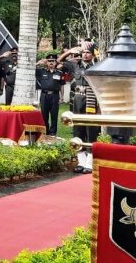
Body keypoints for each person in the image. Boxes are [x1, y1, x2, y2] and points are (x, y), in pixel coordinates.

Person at [58, 39, 99, 173]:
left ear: (93, 54)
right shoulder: (75, 65)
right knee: (78, 129)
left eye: (88, 52)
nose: (85, 55)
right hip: (78, 99)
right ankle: (81, 161)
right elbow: (59, 61)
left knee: (91, 130)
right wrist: (70, 51)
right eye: (84, 52)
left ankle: (89, 163)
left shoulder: (98, 65)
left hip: (92, 100)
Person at [35, 54, 63, 136]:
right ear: (46, 62)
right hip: (44, 95)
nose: (51, 63)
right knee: (44, 114)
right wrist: (38, 63)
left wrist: (61, 96)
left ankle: (53, 132)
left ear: (55, 63)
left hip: (55, 95)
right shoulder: (41, 71)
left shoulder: (59, 73)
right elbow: (30, 69)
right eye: (49, 61)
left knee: (54, 114)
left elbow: (61, 85)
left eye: (53, 61)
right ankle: (45, 131)